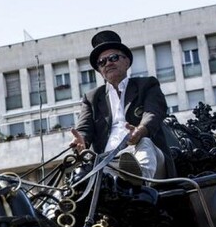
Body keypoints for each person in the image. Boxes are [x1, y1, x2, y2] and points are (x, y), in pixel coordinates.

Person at [70, 30, 176, 179]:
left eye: (113, 57)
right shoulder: (92, 98)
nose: (108, 63)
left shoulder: (147, 85)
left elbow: (153, 113)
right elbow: (84, 129)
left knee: (145, 142)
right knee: (78, 174)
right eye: (102, 62)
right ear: (100, 70)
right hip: (107, 161)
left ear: (127, 62)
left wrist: (140, 131)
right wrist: (81, 139)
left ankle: (139, 182)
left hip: (143, 152)